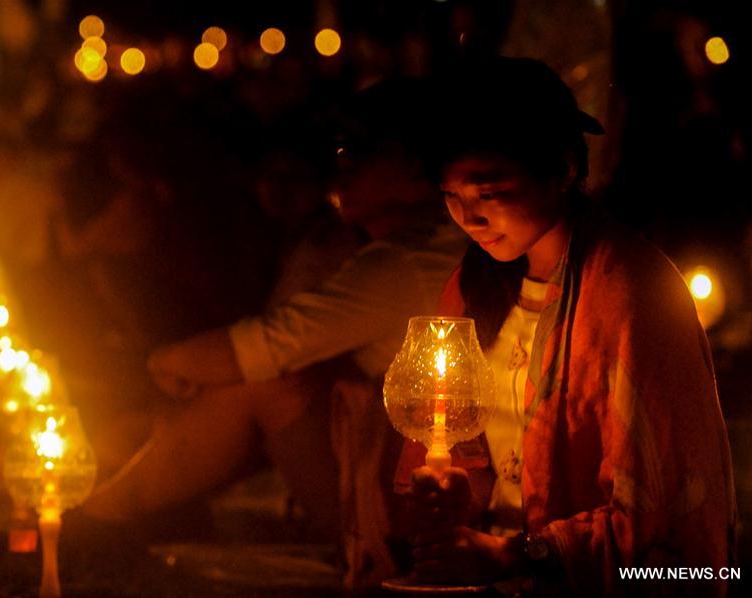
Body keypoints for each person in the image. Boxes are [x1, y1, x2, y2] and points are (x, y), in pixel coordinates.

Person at [394, 57, 737, 596]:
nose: (469, 218)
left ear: (563, 170)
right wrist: (457, 493)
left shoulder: (630, 292)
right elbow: (461, 456)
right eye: (451, 197)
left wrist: (515, 554)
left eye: (489, 192)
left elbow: (657, 509)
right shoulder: (471, 286)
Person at [81, 80, 469, 552]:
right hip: (403, 471)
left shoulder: (403, 262)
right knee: (253, 384)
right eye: (340, 151)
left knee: (265, 383)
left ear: (415, 174)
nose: (342, 169)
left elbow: (258, 349)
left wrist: (163, 362)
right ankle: (113, 504)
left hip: (422, 510)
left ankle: (98, 519)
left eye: (363, 153)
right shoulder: (358, 245)